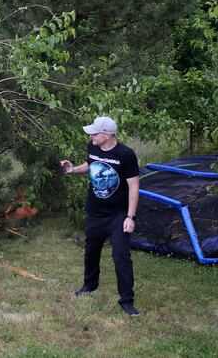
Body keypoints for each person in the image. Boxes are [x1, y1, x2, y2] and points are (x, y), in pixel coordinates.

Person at [60, 116, 141, 316]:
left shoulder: (126, 154)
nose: (90, 136)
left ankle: (126, 301)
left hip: (118, 214)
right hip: (95, 211)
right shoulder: (93, 147)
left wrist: (130, 217)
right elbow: (91, 165)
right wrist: (73, 170)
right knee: (91, 251)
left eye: (94, 133)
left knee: (121, 255)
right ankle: (90, 285)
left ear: (106, 135)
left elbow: (134, 186)